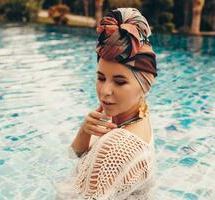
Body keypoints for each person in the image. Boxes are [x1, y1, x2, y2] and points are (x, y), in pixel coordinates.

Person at [56, 8, 158, 200]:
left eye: (120, 82)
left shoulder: (115, 147)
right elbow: (75, 155)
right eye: (101, 78)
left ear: (145, 85)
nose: (105, 91)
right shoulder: (139, 117)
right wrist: (84, 132)